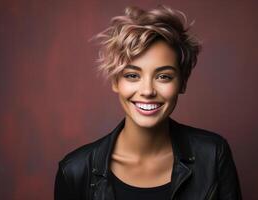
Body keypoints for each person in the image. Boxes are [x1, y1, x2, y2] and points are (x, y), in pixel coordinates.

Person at [54, 5, 242, 200]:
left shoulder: (213, 155)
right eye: (133, 75)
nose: (147, 91)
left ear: (183, 82)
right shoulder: (75, 171)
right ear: (115, 81)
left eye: (163, 76)